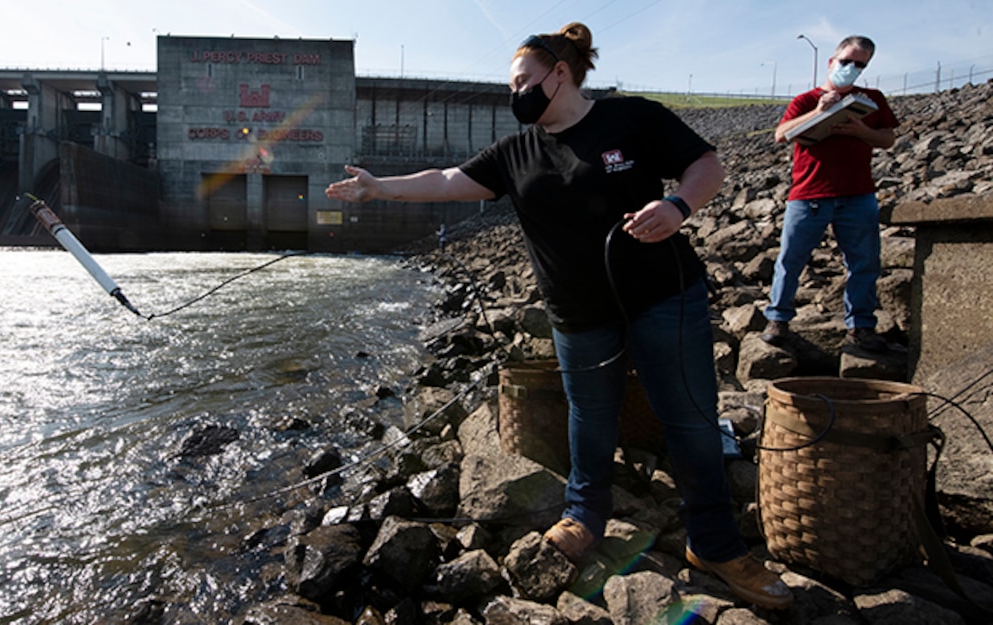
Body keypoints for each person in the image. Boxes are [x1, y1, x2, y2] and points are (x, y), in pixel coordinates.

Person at [327, 23, 793, 610]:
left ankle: (717, 545)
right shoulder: (515, 153)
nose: (516, 93)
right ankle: (585, 516)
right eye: (512, 85)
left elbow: (707, 164)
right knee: (590, 418)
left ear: (560, 73)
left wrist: (678, 207)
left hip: (664, 297)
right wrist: (380, 189)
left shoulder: (631, 118)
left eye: (523, 80)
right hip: (578, 315)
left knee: (691, 420)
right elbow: (447, 180)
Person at [762, 35, 899, 351]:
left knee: (864, 262)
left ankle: (860, 326)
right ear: (831, 61)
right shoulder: (806, 100)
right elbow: (781, 135)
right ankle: (778, 320)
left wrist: (860, 131)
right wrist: (819, 113)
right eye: (847, 61)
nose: (852, 69)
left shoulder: (873, 99)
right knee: (791, 259)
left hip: (858, 195)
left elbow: (887, 139)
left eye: (860, 65)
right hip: (809, 194)